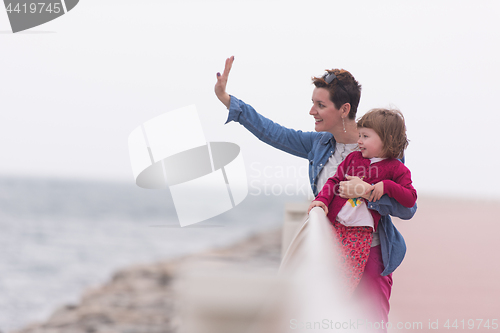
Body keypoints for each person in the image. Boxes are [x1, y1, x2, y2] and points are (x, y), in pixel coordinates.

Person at [214, 56, 417, 329]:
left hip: (371, 253)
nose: (312, 111)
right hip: (330, 255)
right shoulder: (318, 144)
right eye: (313, 103)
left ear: (344, 109)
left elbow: (408, 208)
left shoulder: (381, 147)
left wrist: (368, 192)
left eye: (320, 105)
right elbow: (271, 132)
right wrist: (227, 99)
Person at [307, 108, 417, 295]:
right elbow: (334, 181)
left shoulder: (396, 169)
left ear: (387, 138)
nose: (359, 141)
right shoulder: (352, 159)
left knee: (347, 281)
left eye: (365, 136)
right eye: (359, 135)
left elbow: (410, 198)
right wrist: (321, 201)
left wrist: (387, 186)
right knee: (325, 271)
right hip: (334, 225)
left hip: (360, 234)